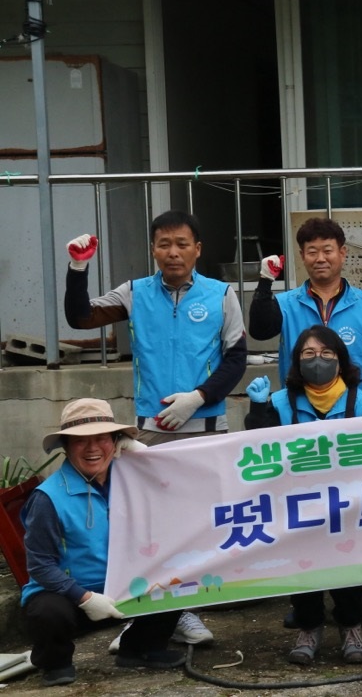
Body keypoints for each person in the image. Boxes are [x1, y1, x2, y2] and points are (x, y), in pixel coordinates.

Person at [64, 210, 244, 646]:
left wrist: (197, 397)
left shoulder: (221, 294)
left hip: (205, 429)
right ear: (153, 250)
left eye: (182, 243)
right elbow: (81, 318)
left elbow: (236, 358)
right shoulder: (135, 293)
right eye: (164, 244)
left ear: (198, 249)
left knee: (201, 524)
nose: (173, 252)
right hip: (149, 433)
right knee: (151, 526)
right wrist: (77, 269)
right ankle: (151, 614)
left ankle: (185, 610)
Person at [22, 399, 185, 686]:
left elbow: (183, 489)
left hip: (126, 585)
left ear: (116, 441)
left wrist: (146, 458)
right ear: (66, 446)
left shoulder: (131, 478)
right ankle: (55, 662)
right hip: (70, 595)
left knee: (178, 578)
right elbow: (40, 565)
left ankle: (141, 647)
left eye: (102, 438)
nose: (92, 448)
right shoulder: (48, 498)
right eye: (80, 441)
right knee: (48, 612)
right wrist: (84, 597)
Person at [244, 326, 362, 665]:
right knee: (302, 568)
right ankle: (309, 628)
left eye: (327, 354)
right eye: (309, 354)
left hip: (347, 505)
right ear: (297, 361)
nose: (318, 360)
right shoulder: (278, 403)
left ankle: (351, 627)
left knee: (348, 570)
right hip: (296, 505)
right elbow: (257, 449)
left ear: (340, 361)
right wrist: (257, 409)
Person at [249, 217, 362, 414]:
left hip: (354, 414)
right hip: (298, 414)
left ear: (342, 253)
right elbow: (259, 331)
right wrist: (265, 281)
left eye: (327, 251)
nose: (320, 259)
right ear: (302, 256)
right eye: (312, 252)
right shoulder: (285, 304)